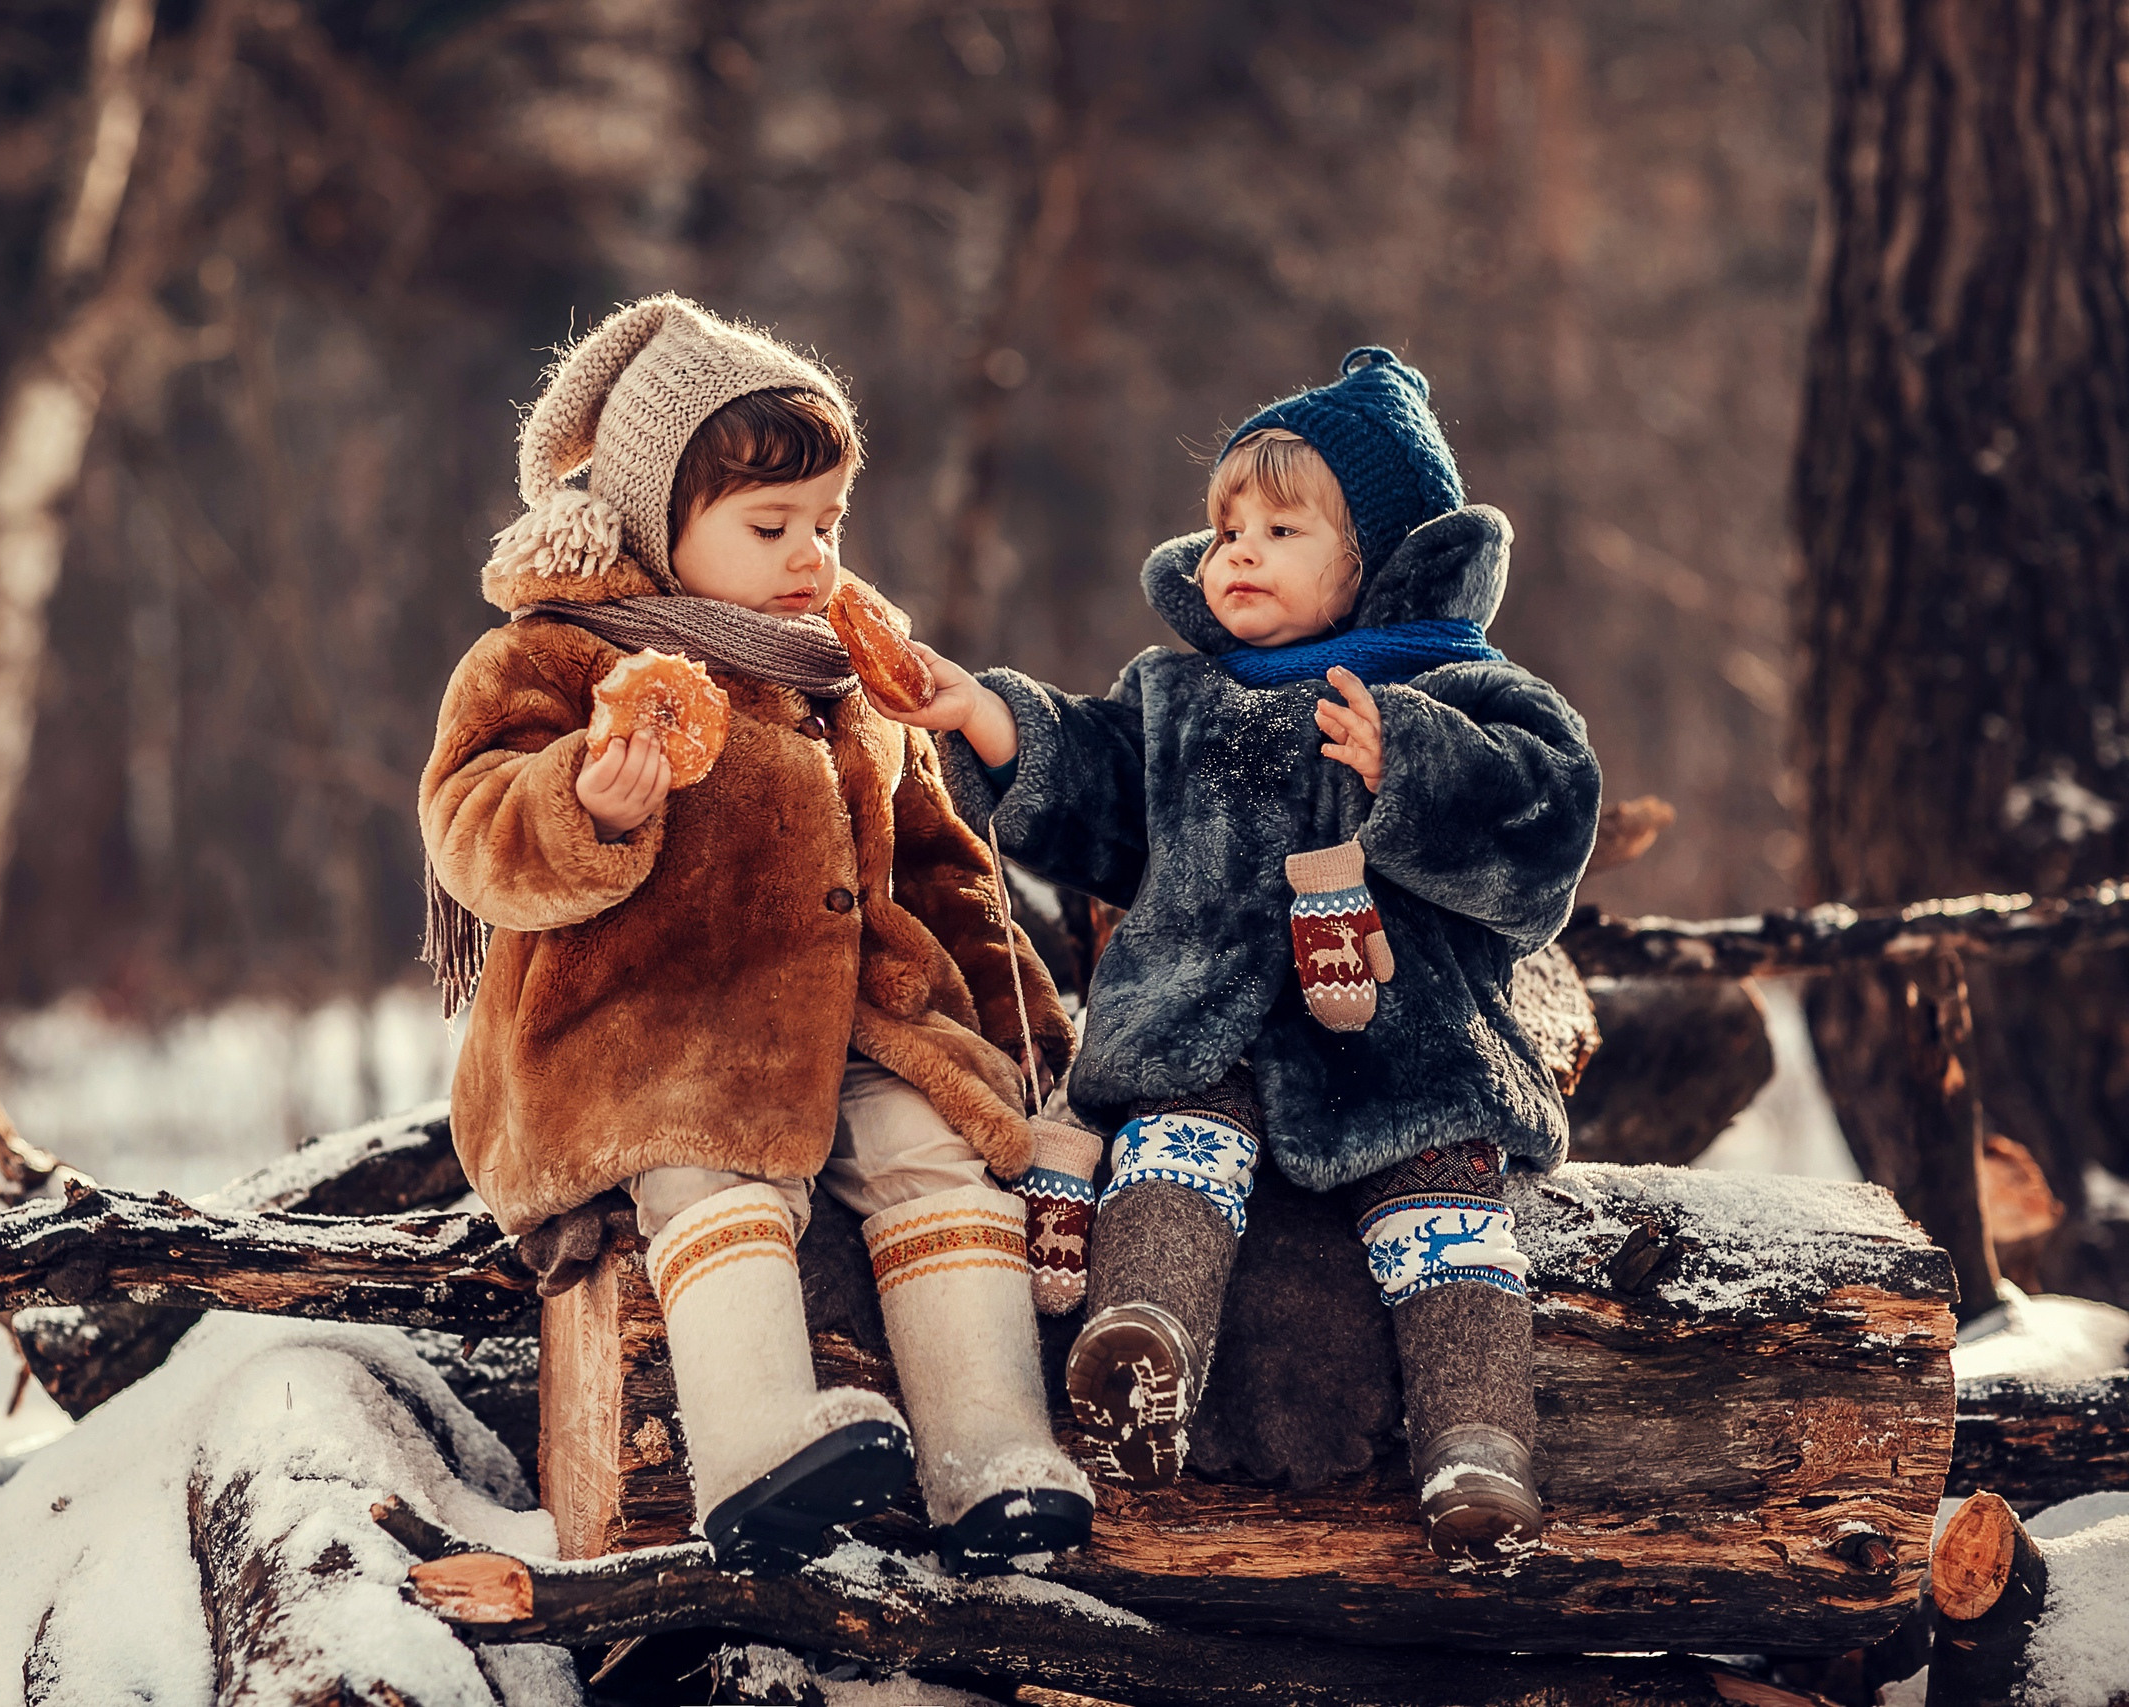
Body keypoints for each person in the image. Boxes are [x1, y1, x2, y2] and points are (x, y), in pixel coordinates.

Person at [884, 348, 1602, 1563]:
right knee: (1171, 1145)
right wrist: (991, 722)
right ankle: (1145, 1345)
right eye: (1224, 528)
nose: (1238, 553)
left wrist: (1412, 766)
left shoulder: (1467, 689)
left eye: (1281, 526)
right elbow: (1104, 783)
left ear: (1376, 559)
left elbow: (1546, 823)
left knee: (1444, 1219)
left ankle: (1478, 1447)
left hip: (1399, 1038)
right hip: (1199, 1016)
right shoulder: (1181, 696)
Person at [418, 295, 1090, 1574]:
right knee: (715, 1174)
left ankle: (990, 1452)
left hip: (853, 1024)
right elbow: (469, 824)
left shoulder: (839, 664)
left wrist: (1019, 1025)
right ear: (659, 519)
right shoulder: (554, 659)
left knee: (934, 1158)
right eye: (770, 525)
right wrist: (580, 805)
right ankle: (755, 1443)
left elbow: (941, 856)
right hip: (648, 1028)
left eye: (829, 523)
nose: (811, 555)